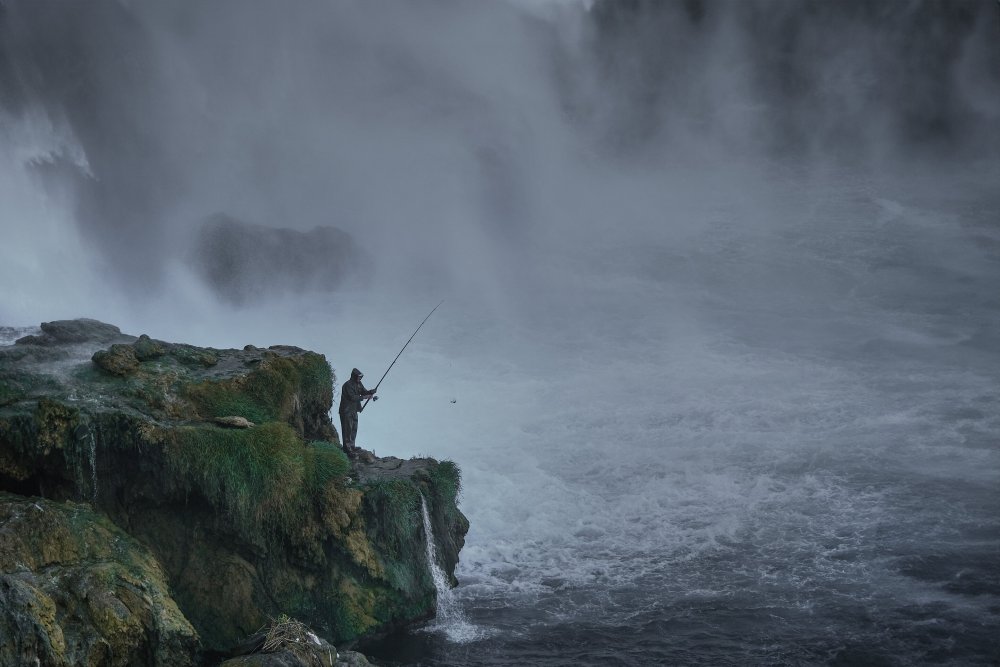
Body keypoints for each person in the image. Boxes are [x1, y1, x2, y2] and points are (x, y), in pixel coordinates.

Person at [339, 368, 376, 456]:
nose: (360, 379)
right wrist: (365, 397)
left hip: (354, 410)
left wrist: (371, 391)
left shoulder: (358, 384)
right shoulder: (347, 385)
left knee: (354, 429)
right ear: (354, 376)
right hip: (346, 411)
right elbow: (353, 397)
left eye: (360, 378)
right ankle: (347, 449)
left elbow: (363, 392)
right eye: (358, 377)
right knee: (347, 430)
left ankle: (352, 446)